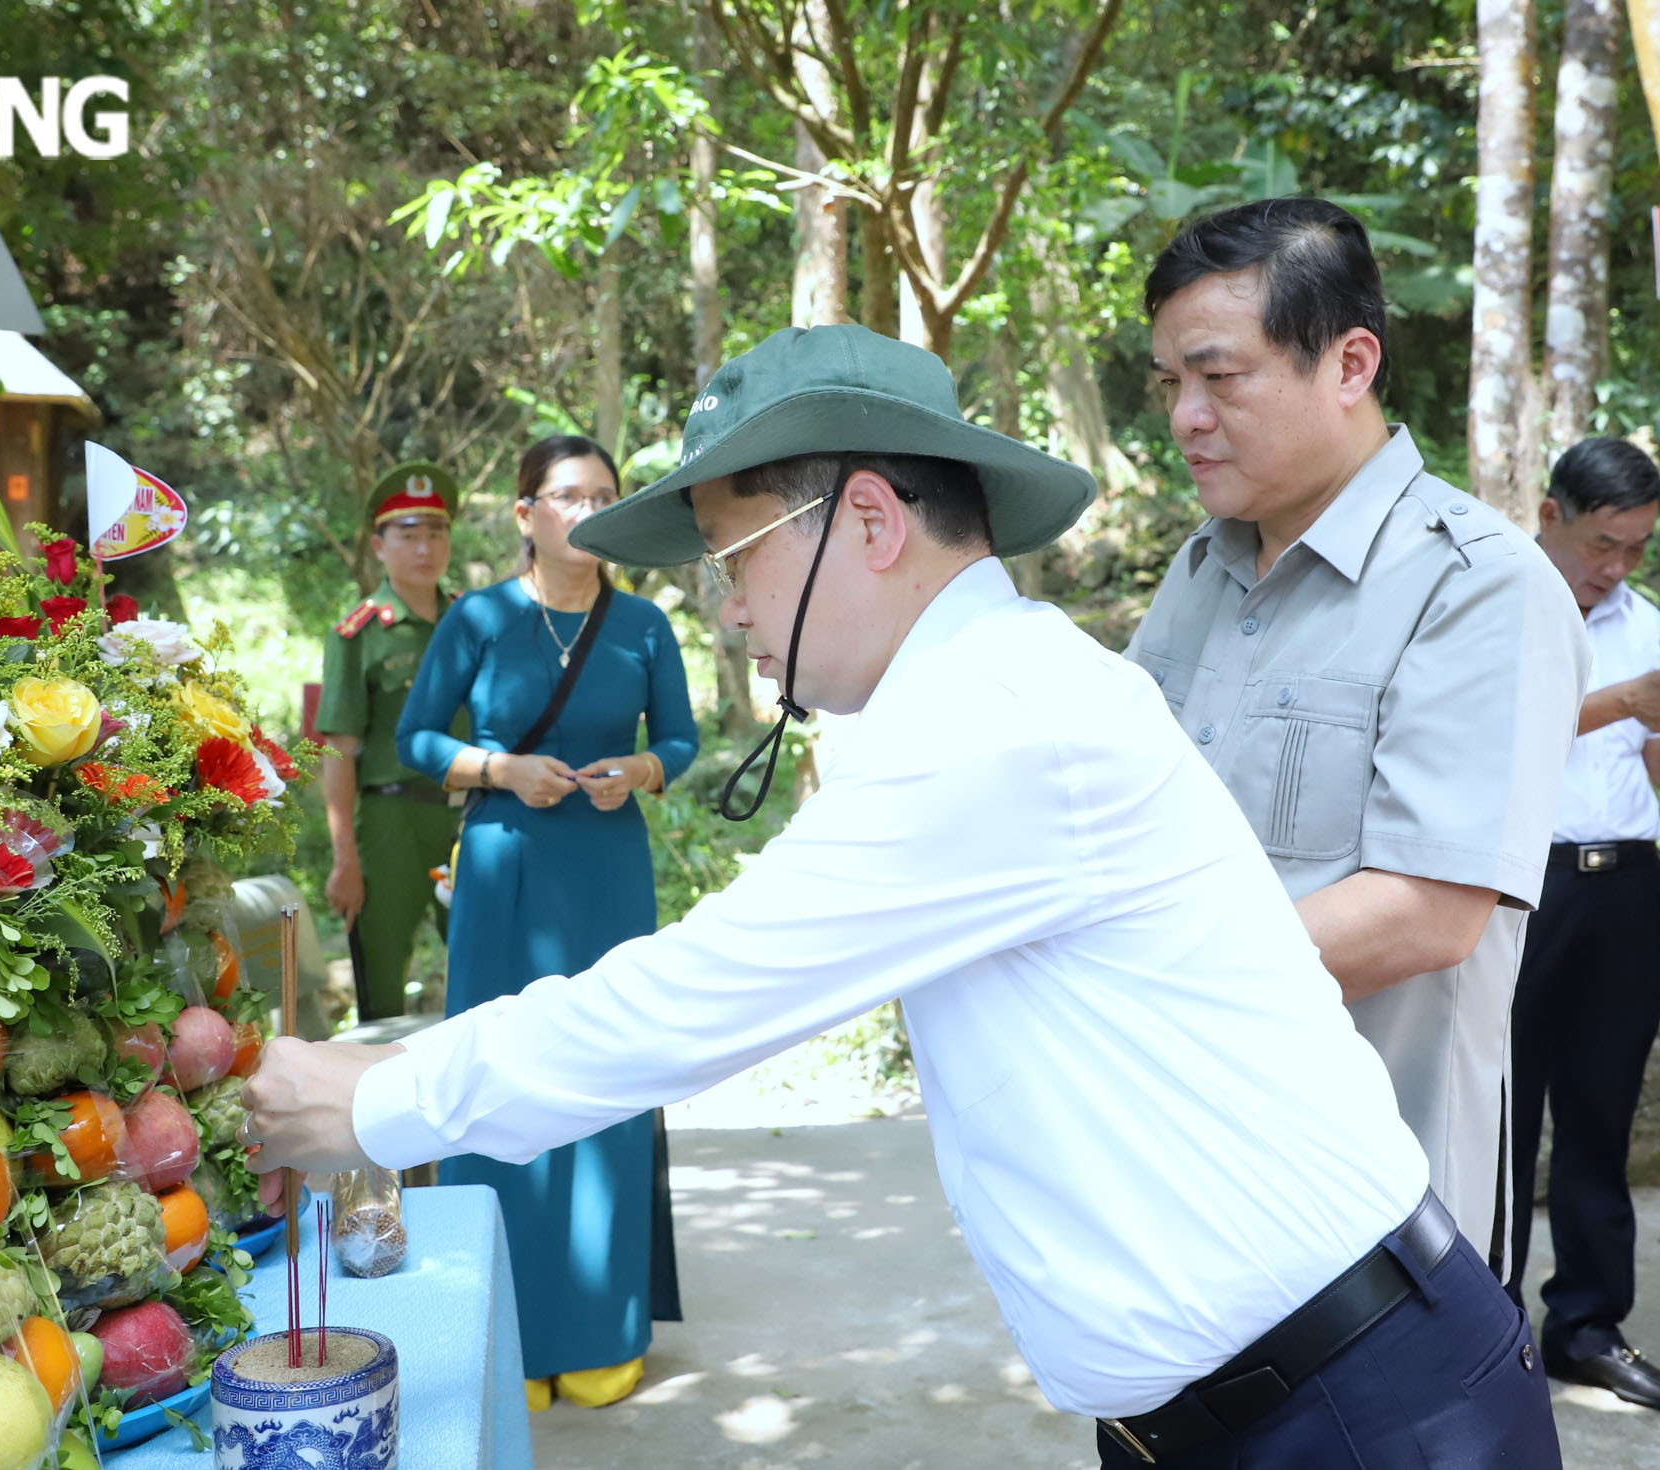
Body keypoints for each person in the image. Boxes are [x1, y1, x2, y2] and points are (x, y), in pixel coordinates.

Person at [240, 323, 1563, 1465]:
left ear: (867, 520)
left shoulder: (995, 719)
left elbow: (696, 996)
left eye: (730, 557)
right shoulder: (986, 694)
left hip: (1350, 1410)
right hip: (1260, 1397)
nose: (725, 613)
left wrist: (372, 1099)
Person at [1126, 198, 1589, 1273]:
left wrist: (1128, 970)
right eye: (1167, 384)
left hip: (1365, 1237)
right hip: (1174, 1179)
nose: (1184, 416)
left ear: (1348, 363)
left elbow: (1426, 912)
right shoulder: (1198, 573)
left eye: (1218, 377)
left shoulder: (1474, 586)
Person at [392, 434, 700, 1411]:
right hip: (504, 864)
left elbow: (681, 738)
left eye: (604, 496)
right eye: (568, 496)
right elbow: (414, 738)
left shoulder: (645, 624)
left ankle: (600, 1327)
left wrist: (643, 771)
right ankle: (501, 1332)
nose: (589, 510)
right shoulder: (479, 618)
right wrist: (497, 770)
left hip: (605, 870)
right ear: (524, 514)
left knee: (606, 1071)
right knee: (496, 1078)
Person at [1509, 436, 1660, 1408]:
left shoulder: (1646, 626)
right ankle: (1480, 1322)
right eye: (1601, 543)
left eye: (1634, 548)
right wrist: (1617, 704)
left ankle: (1585, 1325)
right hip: (1519, 887)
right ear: (1548, 517)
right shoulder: (1498, 608)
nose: (1613, 568)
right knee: (1497, 1113)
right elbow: (1490, 726)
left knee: (1598, 1112)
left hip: (1628, 888)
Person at [312, 462, 463, 1026]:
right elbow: (340, 753)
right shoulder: (358, 635)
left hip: (469, 817)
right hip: (390, 823)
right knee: (381, 986)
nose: (425, 548)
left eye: (436, 532)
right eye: (408, 534)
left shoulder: (471, 620)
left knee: (489, 973)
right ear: (379, 545)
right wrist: (344, 858)